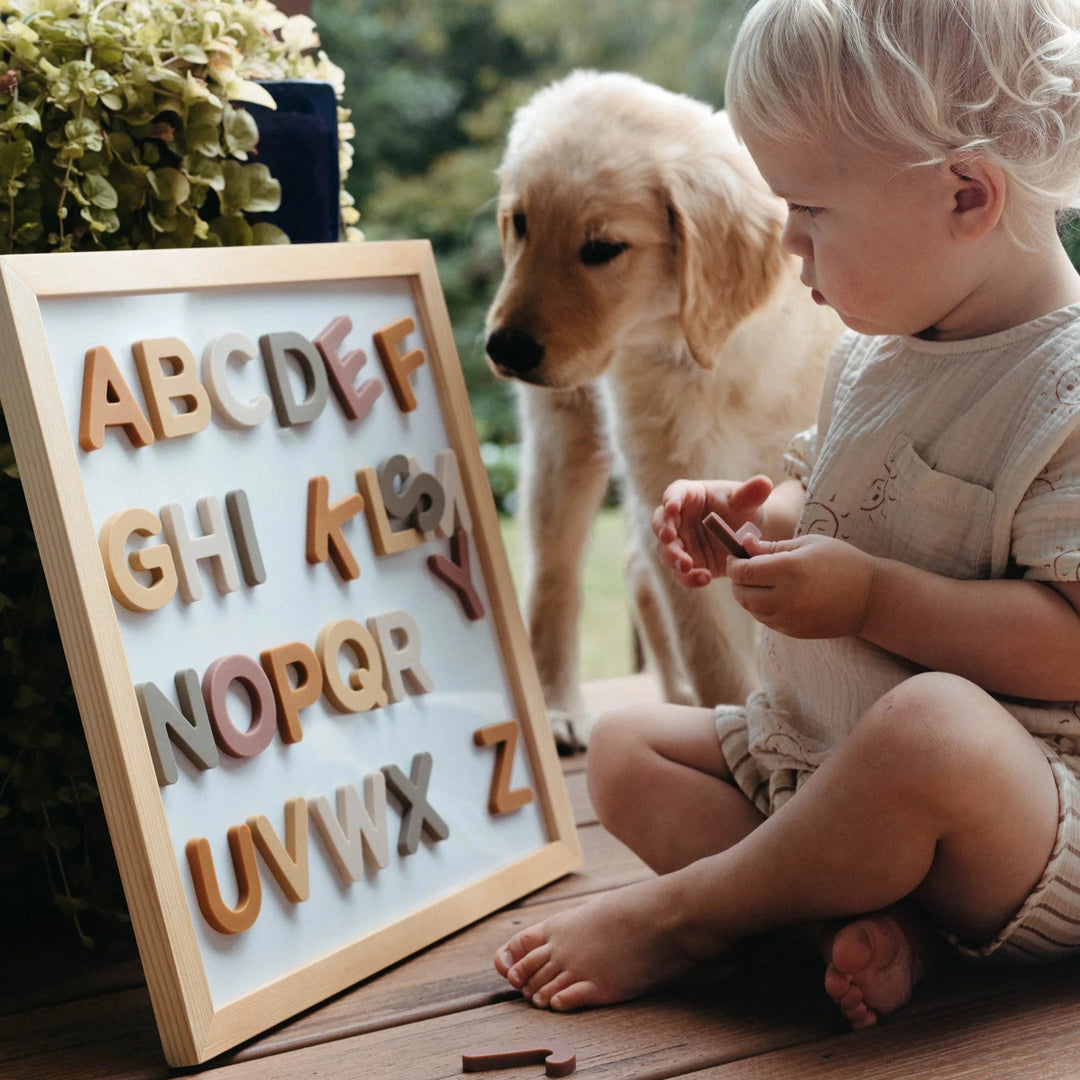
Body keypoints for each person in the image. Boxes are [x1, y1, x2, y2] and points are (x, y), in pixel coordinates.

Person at [493, 0, 1080, 1028]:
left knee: (930, 725)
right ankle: (852, 933)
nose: (788, 253)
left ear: (967, 196)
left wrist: (871, 597)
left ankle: (688, 914)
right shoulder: (872, 351)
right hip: (819, 758)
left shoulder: (1062, 389)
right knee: (629, 751)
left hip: (1015, 814)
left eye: (810, 216)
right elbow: (852, 506)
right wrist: (759, 517)